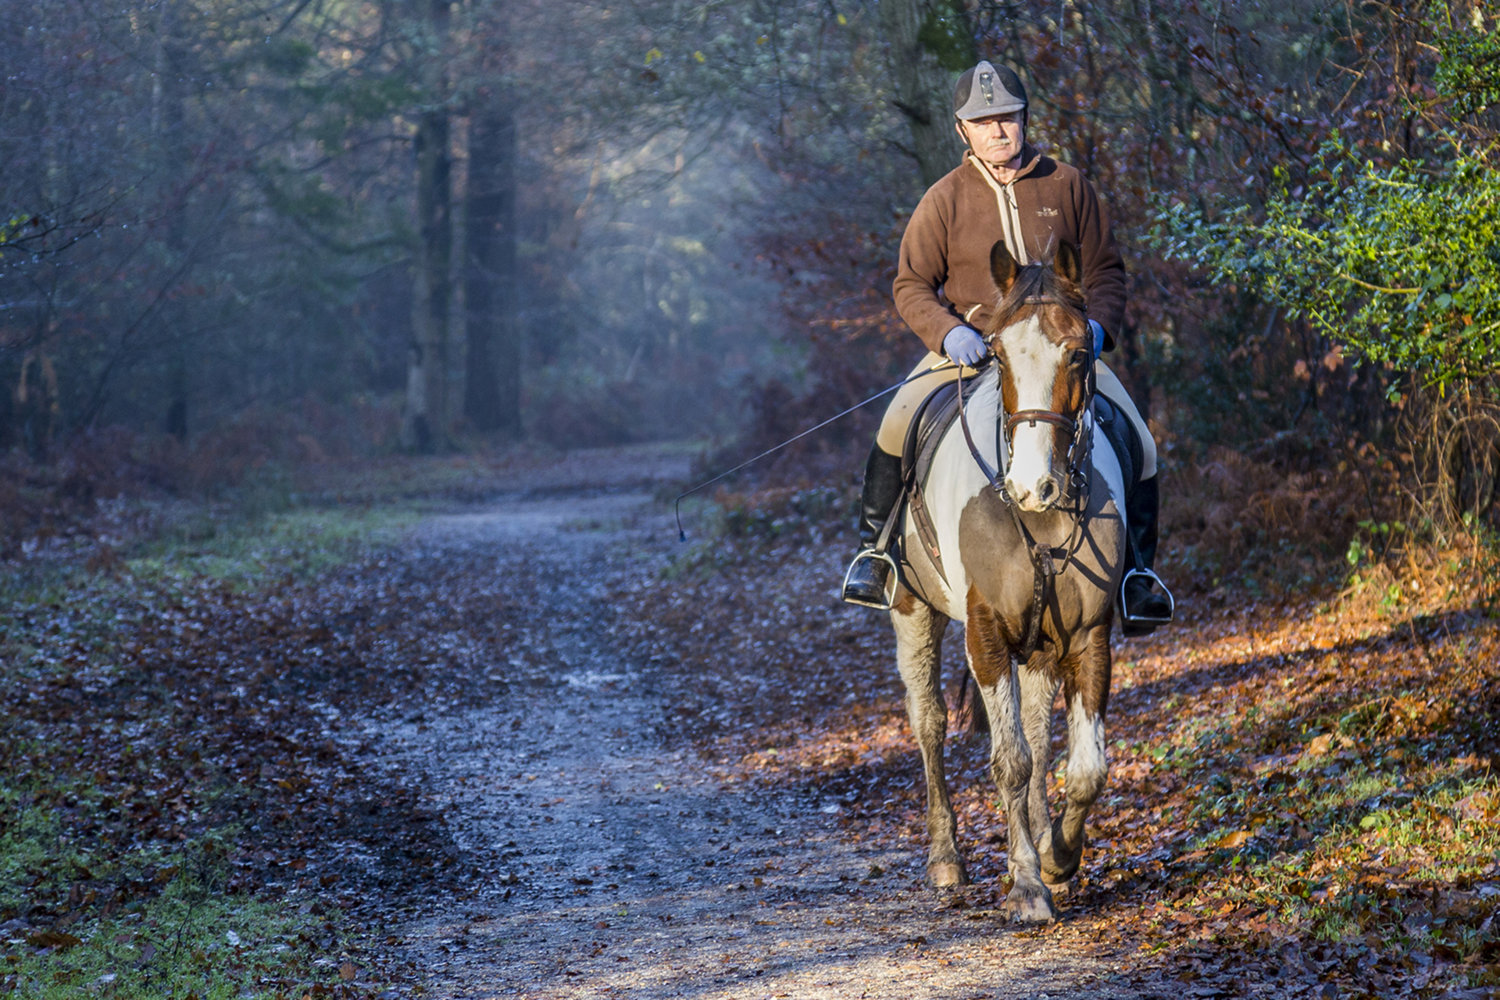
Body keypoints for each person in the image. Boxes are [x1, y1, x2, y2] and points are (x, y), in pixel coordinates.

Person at [842, 60, 1173, 628]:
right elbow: (910, 285)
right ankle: (878, 556)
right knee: (895, 424)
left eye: (1008, 118)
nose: (998, 130)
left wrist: (1095, 330)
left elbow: (1107, 272)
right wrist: (950, 333)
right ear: (962, 130)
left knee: (1140, 440)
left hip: (1061, 351)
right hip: (972, 350)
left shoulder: (1068, 185)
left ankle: (1137, 576)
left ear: (1025, 119)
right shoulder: (943, 199)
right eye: (984, 121)